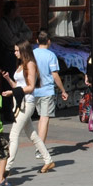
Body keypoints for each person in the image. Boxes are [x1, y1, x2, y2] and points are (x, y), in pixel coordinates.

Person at [1, 40, 53, 177]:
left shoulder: (30, 64)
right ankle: (48, 159)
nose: (15, 53)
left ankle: (7, 167)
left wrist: (12, 92)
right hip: (20, 102)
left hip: (27, 103)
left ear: (24, 51)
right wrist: (8, 79)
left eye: (17, 50)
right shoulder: (21, 65)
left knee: (14, 134)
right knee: (32, 134)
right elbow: (17, 86)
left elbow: (30, 87)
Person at [32, 31, 68, 172]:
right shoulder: (51, 55)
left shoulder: (32, 54)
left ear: (36, 40)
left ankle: (39, 147)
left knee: (39, 118)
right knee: (44, 118)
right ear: (49, 41)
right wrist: (63, 90)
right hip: (47, 90)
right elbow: (55, 74)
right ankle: (40, 149)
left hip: (34, 90)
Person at [0, 0, 31, 76]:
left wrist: (18, 35)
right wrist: (21, 38)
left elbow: (29, 34)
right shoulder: (2, 24)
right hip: (6, 56)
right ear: (12, 10)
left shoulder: (19, 20)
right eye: (18, 8)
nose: (19, 10)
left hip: (19, 53)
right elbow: (11, 41)